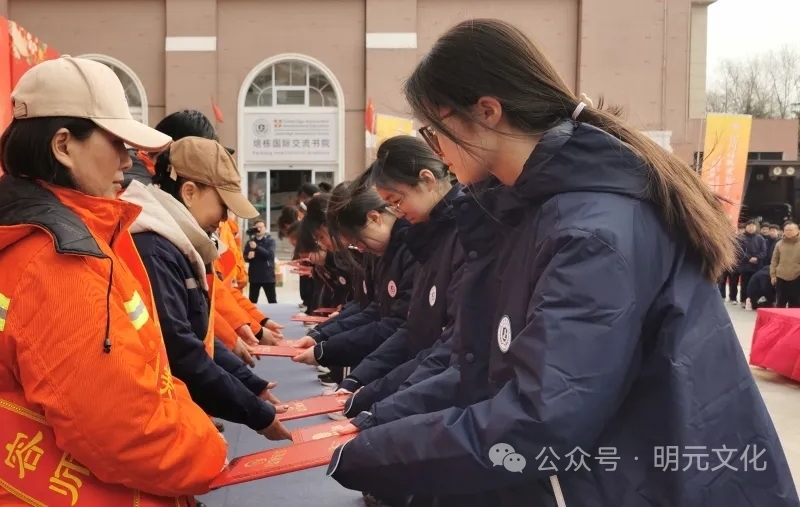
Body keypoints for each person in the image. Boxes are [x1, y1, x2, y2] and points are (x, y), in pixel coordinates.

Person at [326, 19, 798, 507]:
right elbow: (475, 365)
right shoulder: (519, 217)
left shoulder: (589, 230)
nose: (436, 147)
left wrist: (379, 453)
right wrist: (375, 423)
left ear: (486, 112)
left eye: (435, 128)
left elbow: (542, 418)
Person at [0, 56, 226, 506]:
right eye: (116, 142)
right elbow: (123, 431)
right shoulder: (57, 262)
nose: (128, 161)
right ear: (64, 146)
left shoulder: (46, 237)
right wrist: (209, 451)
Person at [120, 136, 292, 442]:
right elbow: (181, 349)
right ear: (189, 192)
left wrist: (251, 386)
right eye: (223, 206)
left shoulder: (174, 244)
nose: (225, 219)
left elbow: (199, 338)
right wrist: (256, 413)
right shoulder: (155, 249)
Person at [336, 136, 463, 401]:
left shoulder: (465, 235)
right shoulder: (426, 240)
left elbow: (451, 345)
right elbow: (413, 328)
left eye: (396, 200)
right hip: (423, 383)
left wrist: (381, 397)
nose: (397, 211)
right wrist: (361, 379)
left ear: (427, 180)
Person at [291, 177, 418, 380]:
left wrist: (330, 351)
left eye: (358, 240)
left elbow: (396, 324)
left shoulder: (412, 249)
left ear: (375, 218)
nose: (357, 247)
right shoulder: (382, 251)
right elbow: (370, 307)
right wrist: (322, 336)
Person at [244, 220, 278, 303]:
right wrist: (248, 257)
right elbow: (244, 257)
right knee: (252, 301)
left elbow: (270, 255)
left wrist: (257, 248)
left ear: (265, 228)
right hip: (254, 276)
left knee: (272, 300)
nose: (259, 229)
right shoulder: (250, 242)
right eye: (257, 228)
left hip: (267, 276)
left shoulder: (270, 241)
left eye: (261, 227)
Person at [735, 220, 767, 306]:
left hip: (757, 265)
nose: (751, 227)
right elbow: (739, 251)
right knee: (745, 284)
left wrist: (757, 258)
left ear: (756, 227)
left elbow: (764, 251)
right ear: (746, 227)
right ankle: (743, 300)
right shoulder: (741, 238)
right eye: (749, 225)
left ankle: (754, 301)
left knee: (755, 285)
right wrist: (749, 258)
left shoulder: (760, 238)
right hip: (745, 265)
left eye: (753, 226)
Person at [771, 221, 800, 307]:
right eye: (786, 230)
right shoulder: (779, 244)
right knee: (780, 303)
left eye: (790, 230)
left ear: (797, 230)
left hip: (797, 276)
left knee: (796, 304)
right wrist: (773, 275)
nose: (788, 232)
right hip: (781, 277)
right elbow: (774, 261)